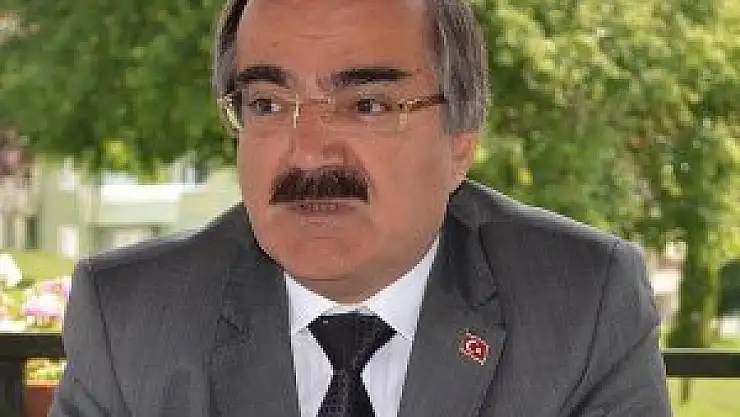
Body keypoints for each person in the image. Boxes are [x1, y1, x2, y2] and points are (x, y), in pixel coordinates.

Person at [50, 0, 672, 416]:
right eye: (267, 104)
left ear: (460, 143)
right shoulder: (131, 319)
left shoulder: (581, 303)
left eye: (366, 106)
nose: (307, 152)